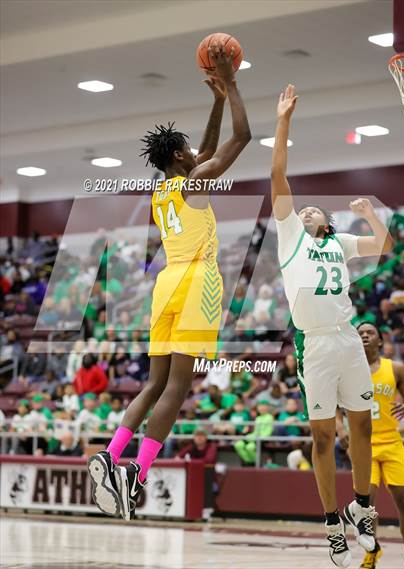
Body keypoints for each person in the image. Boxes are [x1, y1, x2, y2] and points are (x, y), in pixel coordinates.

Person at [87, 43, 251, 521]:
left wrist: (216, 101)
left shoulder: (164, 189)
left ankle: (111, 453)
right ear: (181, 156)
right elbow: (241, 138)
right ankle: (136, 474)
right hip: (198, 282)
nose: (195, 153)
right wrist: (233, 84)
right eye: (189, 151)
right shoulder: (195, 183)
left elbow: (204, 148)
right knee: (178, 386)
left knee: (154, 383)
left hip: (166, 284)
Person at [271, 84, 394, 567]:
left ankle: (361, 506)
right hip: (315, 345)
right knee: (323, 435)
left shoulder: (339, 242)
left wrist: (370, 215)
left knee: (360, 427)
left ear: (326, 219)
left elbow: (381, 247)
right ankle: (330, 525)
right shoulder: (290, 237)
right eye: (302, 210)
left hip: (345, 338)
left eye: (312, 209)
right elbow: (278, 174)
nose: (305, 211)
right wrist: (284, 121)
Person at [351, 323, 404, 569]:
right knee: (365, 501)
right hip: (363, 443)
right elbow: (334, 406)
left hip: (390, 440)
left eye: (370, 332)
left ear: (380, 340)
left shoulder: (396, 369)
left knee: (403, 498)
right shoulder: (348, 371)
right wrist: (339, 429)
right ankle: (372, 551)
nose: (365, 335)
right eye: (360, 333)